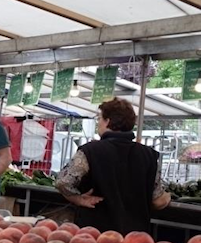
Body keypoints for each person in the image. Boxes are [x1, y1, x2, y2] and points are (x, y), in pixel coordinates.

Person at [56, 98, 171, 233]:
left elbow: (63, 182)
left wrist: (78, 199)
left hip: (95, 235)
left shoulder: (90, 151)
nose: (98, 122)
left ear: (108, 121)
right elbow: (158, 200)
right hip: (134, 238)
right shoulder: (148, 155)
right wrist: (168, 197)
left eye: (100, 118)